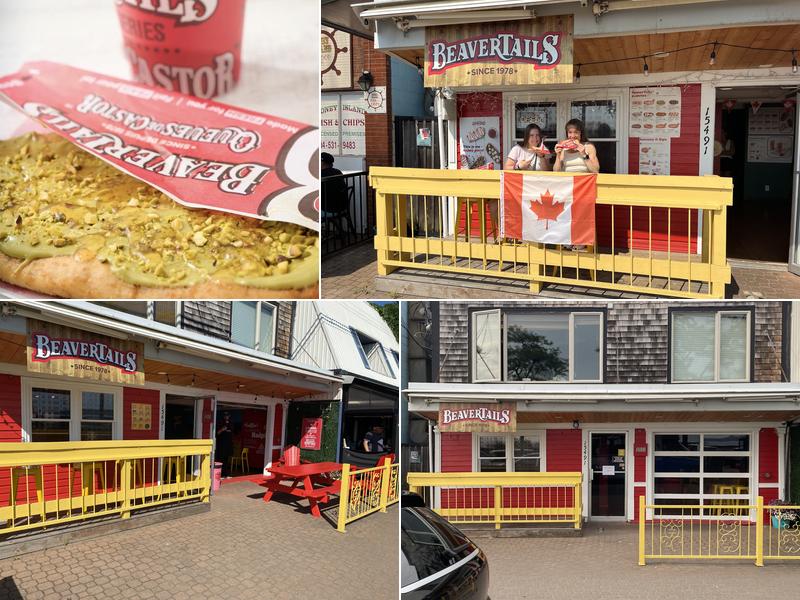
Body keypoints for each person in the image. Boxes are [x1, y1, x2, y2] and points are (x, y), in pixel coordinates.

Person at [553, 119, 599, 251]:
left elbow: (595, 170)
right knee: (562, 211)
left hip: (584, 188)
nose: (572, 136)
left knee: (581, 211)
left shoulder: (588, 147)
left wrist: (583, 153)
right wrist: (557, 155)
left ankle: (582, 240)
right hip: (567, 188)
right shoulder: (563, 148)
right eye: (570, 132)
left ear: (581, 133)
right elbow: (556, 171)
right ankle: (567, 239)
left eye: (576, 132)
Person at [216, 412, 234, 477]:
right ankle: (219, 473)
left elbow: (232, 433)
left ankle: (225, 474)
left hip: (228, 446)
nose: (227, 417)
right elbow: (217, 433)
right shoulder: (220, 423)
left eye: (228, 415)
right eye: (225, 416)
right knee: (220, 460)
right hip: (221, 446)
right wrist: (222, 429)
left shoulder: (231, 423)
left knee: (226, 460)